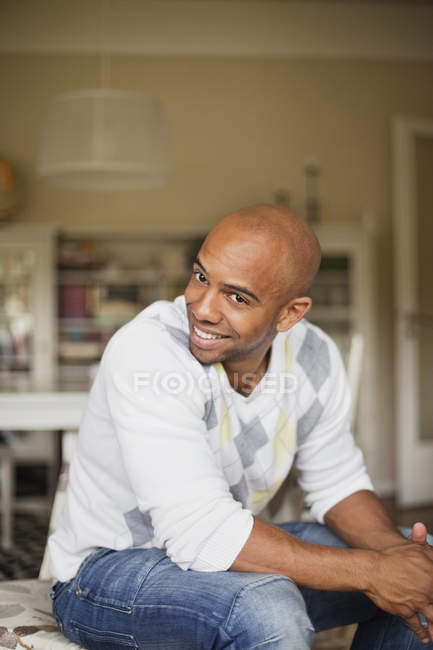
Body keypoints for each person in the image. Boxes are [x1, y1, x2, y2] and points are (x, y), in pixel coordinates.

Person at [49, 204, 433, 649]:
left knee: (421, 570)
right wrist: (372, 571)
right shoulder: (148, 350)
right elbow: (199, 529)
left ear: (290, 314)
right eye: (201, 277)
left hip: (217, 561)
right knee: (262, 605)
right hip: (104, 574)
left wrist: (397, 558)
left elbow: (338, 483)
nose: (203, 308)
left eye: (237, 297)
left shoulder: (315, 358)